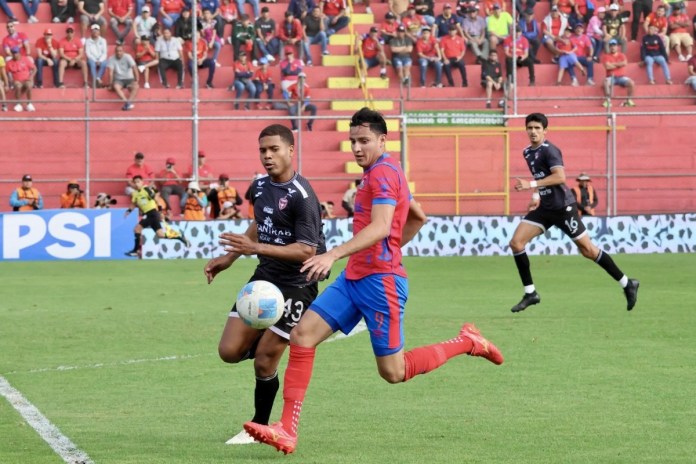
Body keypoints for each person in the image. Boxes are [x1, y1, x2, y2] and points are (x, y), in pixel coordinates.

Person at [243, 108, 504, 455]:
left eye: (364, 140)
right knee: (302, 335)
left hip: (381, 285)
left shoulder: (382, 174)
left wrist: (334, 253)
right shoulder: (383, 170)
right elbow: (417, 216)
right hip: (354, 278)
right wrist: (388, 247)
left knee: (394, 372)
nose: (356, 148)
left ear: (383, 140)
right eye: (352, 141)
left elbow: (382, 226)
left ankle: (467, 341)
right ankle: (287, 430)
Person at [203, 124, 326, 446]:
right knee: (229, 352)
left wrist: (254, 249)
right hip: (265, 279)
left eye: (274, 149)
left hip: (299, 284)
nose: (268, 156)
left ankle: (257, 427)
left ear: (290, 150)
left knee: (264, 360)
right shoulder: (259, 187)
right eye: (263, 150)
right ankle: (266, 346)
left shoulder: (303, 197)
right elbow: (262, 221)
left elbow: (306, 250)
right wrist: (229, 258)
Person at [508, 113, 639, 314]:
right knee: (516, 243)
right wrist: (536, 194)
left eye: (537, 128)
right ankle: (531, 293)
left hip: (563, 209)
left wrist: (531, 185)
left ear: (545, 131)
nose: (533, 131)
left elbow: (560, 177)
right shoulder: (527, 152)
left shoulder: (550, 151)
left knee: (588, 250)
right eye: (530, 128)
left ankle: (627, 283)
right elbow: (543, 178)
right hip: (545, 208)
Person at [125, 175, 189, 257]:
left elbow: (156, 200)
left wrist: (160, 212)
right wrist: (129, 211)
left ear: (142, 182)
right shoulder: (135, 194)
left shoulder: (146, 189)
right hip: (149, 214)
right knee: (161, 235)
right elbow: (134, 203)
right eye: (135, 182)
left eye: (138, 182)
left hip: (152, 213)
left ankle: (136, 250)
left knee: (137, 229)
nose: (137, 184)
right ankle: (180, 237)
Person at [602, 39, 635, 107]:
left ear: (617, 47)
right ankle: (608, 100)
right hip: (611, 77)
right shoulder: (606, 56)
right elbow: (607, 67)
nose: (612, 47)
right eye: (611, 46)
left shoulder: (621, 55)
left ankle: (629, 100)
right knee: (605, 82)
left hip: (621, 77)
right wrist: (619, 65)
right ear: (609, 47)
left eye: (614, 45)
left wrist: (612, 64)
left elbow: (625, 63)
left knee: (631, 83)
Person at [107, 44, 139, 110]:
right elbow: (110, 72)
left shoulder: (128, 57)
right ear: (115, 52)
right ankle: (127, 102)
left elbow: (134, 67)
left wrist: (137, 79)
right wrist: (110, 84)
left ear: (123, 51)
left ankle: (128, 103)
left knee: (136, 86)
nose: (119, 53)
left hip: (129, 78)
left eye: (120, 51)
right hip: (118, 79)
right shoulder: (111, 58)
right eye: (117, 51)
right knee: (116, 86)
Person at [6, 46, 35, 112]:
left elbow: (34, 69)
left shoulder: (26, 59)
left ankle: (29, 104)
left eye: (16, 53)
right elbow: (6, 73)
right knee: (18, 86)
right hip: (16, 80)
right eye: (13, 53)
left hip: (26, 79)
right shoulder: (9, 63)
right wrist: (9, 81)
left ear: (19, 53)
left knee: (29, 85)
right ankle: (18, 104)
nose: (14, 54)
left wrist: (31, 77)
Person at [85, 23, 107, 88]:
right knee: (92, 64)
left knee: (104, 63)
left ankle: (97, 78)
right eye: (94, 30)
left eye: (97, 30)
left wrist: (100, 60)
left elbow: (104, 53)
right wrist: (95, 60)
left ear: (99, 32)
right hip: (92, 59)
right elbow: (88, 53)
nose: (95, 32)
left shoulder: (103, 40)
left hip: (101, 58)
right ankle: (95, 80)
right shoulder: (88, 41)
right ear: (91, 32)